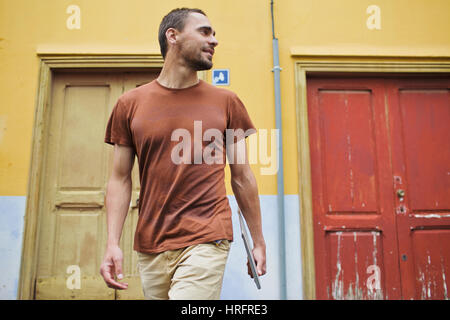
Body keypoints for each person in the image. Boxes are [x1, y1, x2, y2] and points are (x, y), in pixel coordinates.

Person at [99, 7, 266, 300]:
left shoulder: (227, 103)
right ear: (172, 36)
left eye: (214, 34)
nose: (214, 40)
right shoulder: (130, 104)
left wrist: (258, 240)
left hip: (207, 237)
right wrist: (112, 243)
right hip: (151, 245)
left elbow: (242, 177)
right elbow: (120, 179)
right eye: (204, 32)